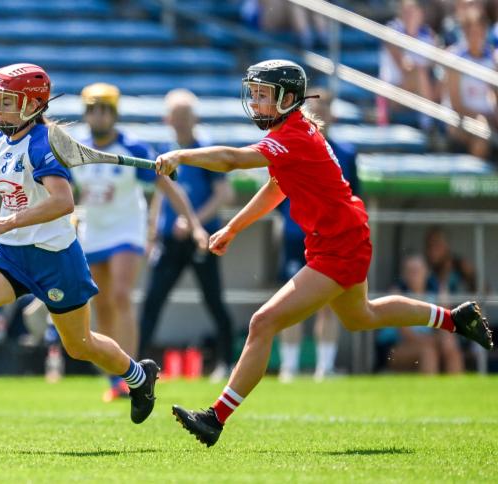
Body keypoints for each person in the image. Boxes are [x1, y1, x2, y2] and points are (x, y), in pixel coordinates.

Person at [155, 59, 494, 447]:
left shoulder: (293, 137)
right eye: (254, 94)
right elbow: (278, 187)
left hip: (339, 245)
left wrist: (182, 155)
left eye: (263, 95)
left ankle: (215, 418)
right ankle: (454, 319)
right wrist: (234, 227)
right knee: (361, 316)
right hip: (340, 237)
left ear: (287, 99)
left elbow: (232, 160)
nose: (255, 102)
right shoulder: (292, 133)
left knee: (262, 323)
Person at [0, 64, 160, 438]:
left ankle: (139, 376)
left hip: (54, 257)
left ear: (31, 105)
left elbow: (63, 202)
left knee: (79, 345)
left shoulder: (44, 143)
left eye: (7, 102)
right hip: (10, 255)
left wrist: (7, 222)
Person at [71, 82, 207, 402]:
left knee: (121, 296)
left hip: (126, 229)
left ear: (114, 113)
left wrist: (193, 221)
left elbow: (167, 185)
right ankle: (114, 374)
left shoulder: (132, 148)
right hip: (93, 231)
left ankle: (132, 374)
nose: (99, 116)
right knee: (101, 304)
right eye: (93, 109)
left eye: (105, 109)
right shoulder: (77, 150)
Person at [138, 88, 236, 383]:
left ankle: (226, 361)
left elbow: (224, 194)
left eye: (185, 115)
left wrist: (195, 223)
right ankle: (134, 368)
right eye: (175, 116)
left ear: (194, 118)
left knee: (213, 300)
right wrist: (152, 232)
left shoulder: (204, 152)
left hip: (200, 240)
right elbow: (160, 194)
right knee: (152, 301)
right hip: (170, 240)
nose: (180, 122)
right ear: (167, 118)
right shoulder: (164, 151)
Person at [276, 87, 359, 383]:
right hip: (296, 235)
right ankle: (289, 367)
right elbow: (278, 193)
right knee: (290, 302)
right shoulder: (292, 147)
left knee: (329, 303)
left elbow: (353, 197)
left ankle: (325, 366)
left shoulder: (346, 152)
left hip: (332, 238)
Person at [377, 254, 464, 374]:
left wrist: (444, 302)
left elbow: (447, 327)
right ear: (404, 275)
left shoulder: (434, 297)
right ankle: (429, 392)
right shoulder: (398, 296)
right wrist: (435, 341)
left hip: (429, 343)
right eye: (410, 271)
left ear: (427, 272)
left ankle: (456, 391)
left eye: (417, 270)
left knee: (452, 351)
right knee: (428, 352)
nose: (414, 275)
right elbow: (407, 334)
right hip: (393, 350)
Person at [442, 2, 498, 160]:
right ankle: (475, 180)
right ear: (465, 33)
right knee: (481, 132)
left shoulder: (492, 59)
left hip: (487, 118)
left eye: (480, 32)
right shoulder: (455, 58)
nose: (476, 37)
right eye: (472, 32)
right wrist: (484, 117)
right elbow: (456, 105)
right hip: (459, 121)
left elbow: (495, 95)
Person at [377, 0, 439, 127]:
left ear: (421, 14)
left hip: (420, 90)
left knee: (445, 78)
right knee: (419, 73)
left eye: (413, 11)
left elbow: (436, 63)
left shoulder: (428, 34)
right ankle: (428, 125)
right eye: (406, 12)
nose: (410, 15)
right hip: (393, 94)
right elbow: (406, 67)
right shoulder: (392, 32)